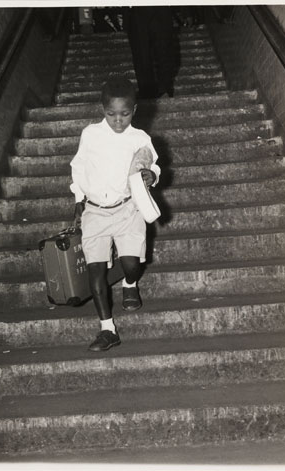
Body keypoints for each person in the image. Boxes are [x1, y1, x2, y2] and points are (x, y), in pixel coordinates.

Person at [70, 76, 161, 352]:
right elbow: (79, 165)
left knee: (132, 263)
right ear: (102, 110)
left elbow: (154, 166)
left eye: (124, 114)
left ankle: (130, 282)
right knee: (95, 272)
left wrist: (151, 175)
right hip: (95, 212)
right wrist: (78, 198)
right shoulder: (91, 134)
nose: (118, 120)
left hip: (127, 209)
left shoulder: (139, 137)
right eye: (111, 114)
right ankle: (107, 329)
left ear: (134, 110)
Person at [124, 6, 175, 98]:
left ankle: (164, 88)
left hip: (160, 8)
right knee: (141, 53)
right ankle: (146, 91)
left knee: (164, 49)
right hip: (135, 10)